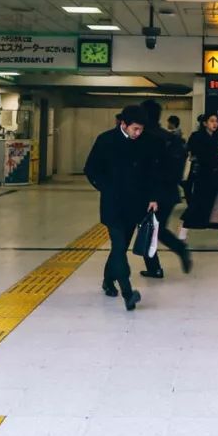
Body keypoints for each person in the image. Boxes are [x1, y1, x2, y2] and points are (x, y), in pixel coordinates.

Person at [84, 105, 159, 311]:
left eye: (141, 129)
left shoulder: (146, 141)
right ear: (123, 124)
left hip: (136, 205)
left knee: (120, 248)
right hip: (113, 204)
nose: (138, 133)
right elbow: (90, 169)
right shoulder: (106, 140)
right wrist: (106, 188)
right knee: (118, 246)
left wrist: (153, 197)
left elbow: (151, 172)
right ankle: (128, 293)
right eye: (135, 129)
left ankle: (108, 281)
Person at [138, 99, 192, 279]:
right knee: (155, 229)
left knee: (149, 230)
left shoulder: (145, 138)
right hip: (170, 192)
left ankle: (159, 265)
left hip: (151, 193)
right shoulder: (170, 138)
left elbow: (144, 169)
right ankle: (159, 263)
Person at [179, 111, 218, 250]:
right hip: (203, 179)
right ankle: (181, 236)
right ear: (205, 123)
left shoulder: (217, 137)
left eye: (216, 121)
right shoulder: (197, 137)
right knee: (195, 208)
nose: (215, 124)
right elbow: (203, 156)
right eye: (212, 121)